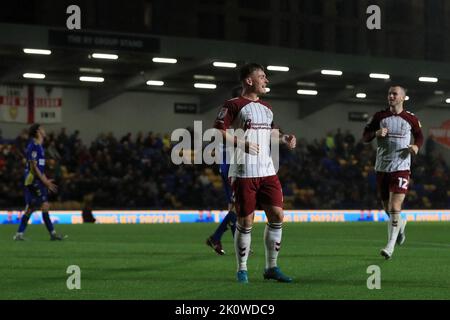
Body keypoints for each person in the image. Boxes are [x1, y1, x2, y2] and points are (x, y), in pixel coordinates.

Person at [213, 63, 296, 283]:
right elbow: (218, 131)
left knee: (277, 215)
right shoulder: (233, 105)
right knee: (246, 220)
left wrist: (284, 138)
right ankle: (242, 269)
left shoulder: (267, 107)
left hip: (267, 170)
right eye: (262, 77)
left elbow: (270, 134)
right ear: (249, 81)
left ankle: (271, 267)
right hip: (244, 171)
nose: (266, 80)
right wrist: (242, 143)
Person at [363, 86, 423, 259]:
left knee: (394, 206)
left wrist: (416, 147)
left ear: (403, 98)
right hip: (382, 167)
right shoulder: (379, 116)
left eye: (394, 94)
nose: (391, 96)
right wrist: (376, 133)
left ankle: (390, 246)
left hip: (402, 167)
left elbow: (419, 136)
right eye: (389, 93)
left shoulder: (410, 118)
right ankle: (401, 224)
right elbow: (365, 136)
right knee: (386, 208)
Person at [13, 123, 66, 241]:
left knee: (31, 208)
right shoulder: (33, 146)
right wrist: (44, 181)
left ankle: (19, 234)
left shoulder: (40, 146)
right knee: (44, 205)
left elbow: (40, 168)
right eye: (42, 129)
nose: (44, 130)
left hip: (37, 180)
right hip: (33, 180)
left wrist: (45, 179)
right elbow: (33, 167)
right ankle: (52, 234)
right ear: (37, 132)